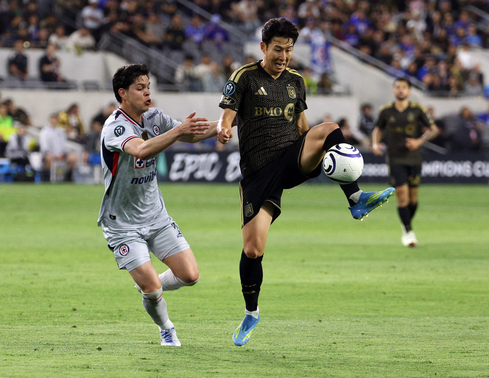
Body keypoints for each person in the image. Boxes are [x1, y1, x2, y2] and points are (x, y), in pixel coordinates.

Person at [217, 18, 395, 347]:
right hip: (258, 174)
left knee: (327, 130)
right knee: (253, 249)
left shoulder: (296, 81)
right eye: (278, 49)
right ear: (263, 48)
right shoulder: (244, 77)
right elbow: (227, 113)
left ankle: (355, 200)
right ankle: (251, 313)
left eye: (289, 49)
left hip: (289, 159)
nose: (284, 55)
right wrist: (223, 128)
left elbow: (302, 125)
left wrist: (317, 150)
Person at [97, 63, 218, 347]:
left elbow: (192, 133)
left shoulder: (155, 118)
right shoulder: (115, 127)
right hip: (122, 224)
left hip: (156, 216)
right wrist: (178, 132)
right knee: (151, 289)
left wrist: (231, 122)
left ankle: (148, 283)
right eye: (140, 88)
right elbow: (140, 148)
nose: (147, 93)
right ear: (123, 94)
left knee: (190, 275)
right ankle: (166, 328)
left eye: (148, 87)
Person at [371, 78, 439, 248]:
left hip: (414, 158)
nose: (401, 90)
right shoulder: (386, 111)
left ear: (409, 91)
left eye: (404, 87)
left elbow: (433, 129)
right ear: (394, 91)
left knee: (413, 199)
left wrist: (419, 141)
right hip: (395, 158)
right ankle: (408, 232)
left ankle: (405, 224)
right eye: (398, 87)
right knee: (402, 196)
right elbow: (378, 129)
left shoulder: (417, 110)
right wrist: (375, 143)